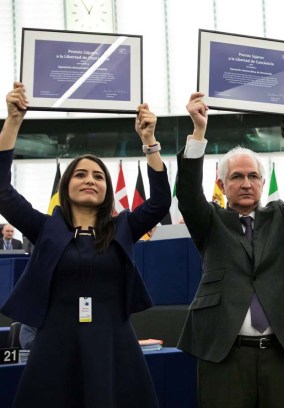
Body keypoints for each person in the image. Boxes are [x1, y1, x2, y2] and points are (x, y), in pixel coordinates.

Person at [0, 81, 171, 407]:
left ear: (106, 189)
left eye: (98, 176)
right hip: (55, 347)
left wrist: (149, 141)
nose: (90, 179)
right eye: (80, 174)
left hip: (113, 346)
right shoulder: (45, 227)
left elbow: (161, 202)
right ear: (67, 185)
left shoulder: (123, 227)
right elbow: (2, 191)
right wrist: (13, 121)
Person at [176, 92, 284, 408]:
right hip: (223, 353)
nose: (246, 183)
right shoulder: (210, 221)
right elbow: (188, 195)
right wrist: (199, 132)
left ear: (261, 182)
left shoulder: (280, 219)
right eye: (237, 177)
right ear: (222, 184)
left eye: (253, 176)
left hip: (277, 350)